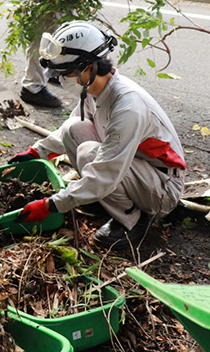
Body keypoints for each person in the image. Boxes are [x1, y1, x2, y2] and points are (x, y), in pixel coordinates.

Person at [10, 21, 186, 249]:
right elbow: (70, 130)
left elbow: (105, 172)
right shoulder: (95, 91)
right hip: (136, 169)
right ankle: (105, 198)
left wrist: (50, 205)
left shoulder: (127, 107)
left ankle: (133, 220)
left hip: (162, 186)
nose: (62, 80)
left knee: (89, 154)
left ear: (89, 68)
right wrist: (38, 152)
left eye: (67, 73)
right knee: (74, 129)